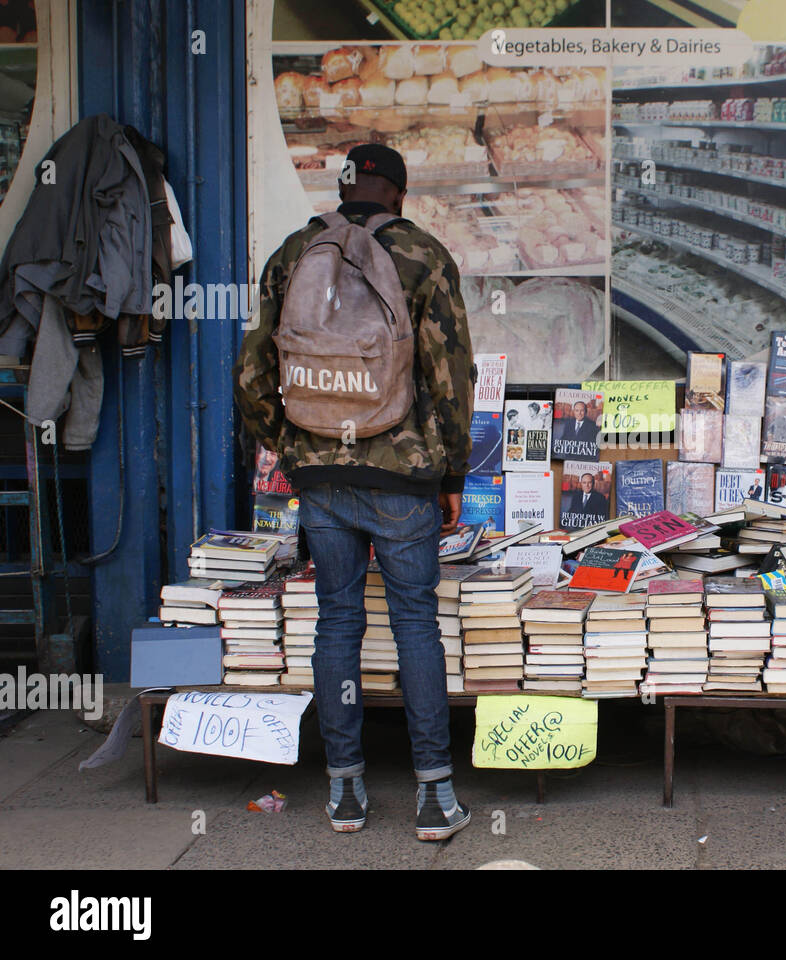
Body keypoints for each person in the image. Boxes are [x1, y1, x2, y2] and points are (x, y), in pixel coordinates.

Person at [235, 144, 476, 838]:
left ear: (344, 190)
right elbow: (450, 377)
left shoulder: (294, 253)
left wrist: (292, 446)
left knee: (338, 622)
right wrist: (449, 471)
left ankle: (344, 789)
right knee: (415, 626)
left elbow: (251, 373)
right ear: (398, 194)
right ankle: (434, 795)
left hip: (321, 477)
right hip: (402, 477)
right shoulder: (424, 256)